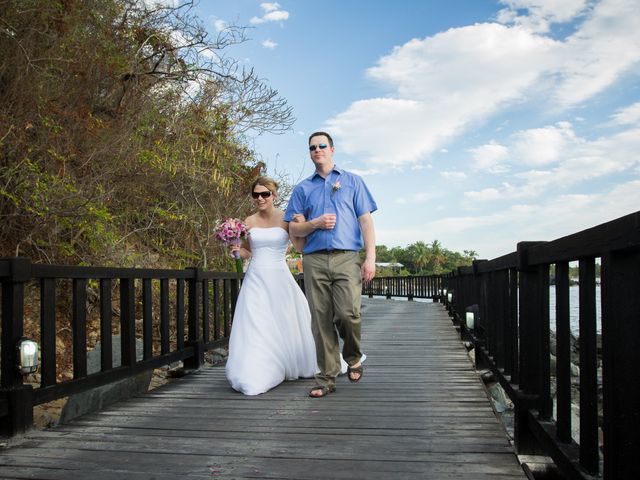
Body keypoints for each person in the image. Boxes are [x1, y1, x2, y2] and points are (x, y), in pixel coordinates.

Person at [285, 131, 377, 398]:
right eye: (312, 147)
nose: (317, 150)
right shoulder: (303, 188)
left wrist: (370, 257)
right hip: (313, 259)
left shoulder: (352, 182)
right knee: (320, 318)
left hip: (347, 256)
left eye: (322, 145)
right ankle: (326, 377)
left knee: (348, 314)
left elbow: (366, 222)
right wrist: (314, 223)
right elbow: (294, 227)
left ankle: (353, 356)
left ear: (332, 150)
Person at [224, 176, 317, 395]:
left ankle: (287, 361)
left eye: (265, 194)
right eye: (256, 194)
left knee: (283, 320)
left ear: (273, 195)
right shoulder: (248, 221)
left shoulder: (286, 219)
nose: (260, 198)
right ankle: (257, 370)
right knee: (257, 323)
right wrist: (236, 250)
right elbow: (247, 252)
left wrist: (304, 222)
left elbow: (301, 247)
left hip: (279, 277)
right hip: (255, 277)